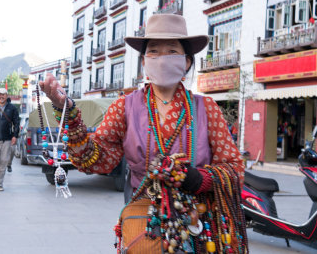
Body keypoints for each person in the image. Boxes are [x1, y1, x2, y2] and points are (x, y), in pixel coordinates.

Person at [40, 14, 247, 253]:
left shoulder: (206, 107)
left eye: (171, 51)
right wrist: (66, 110)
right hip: (145, 220)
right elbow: (95, 159)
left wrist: (199, 179)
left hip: (199, 220)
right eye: (154, 52)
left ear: (187, 61)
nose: (162, 59)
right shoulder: (125, 106)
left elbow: (234, 168)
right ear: (144, 61)